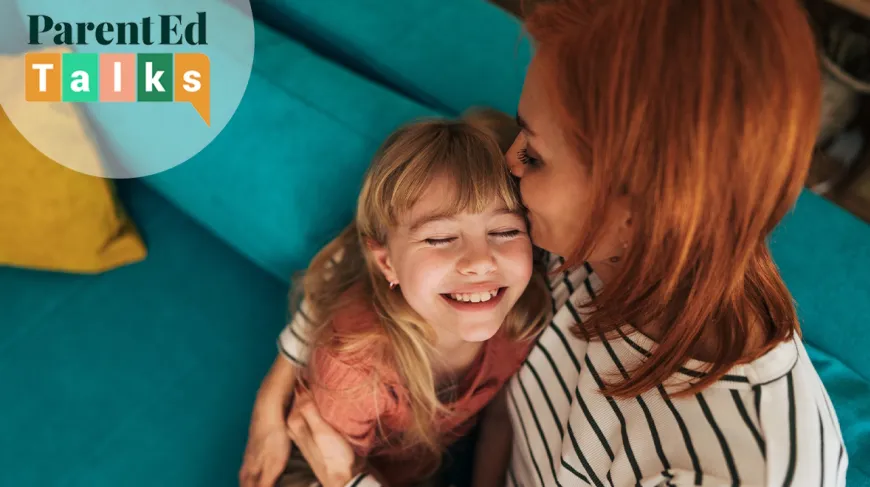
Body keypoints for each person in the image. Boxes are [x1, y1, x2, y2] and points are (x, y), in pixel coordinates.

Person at [279, 0, 849, 486]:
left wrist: (344, 478)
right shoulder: (581, 243)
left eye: (536, 154)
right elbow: (401, 237)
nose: (509, 164)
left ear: (640, 209)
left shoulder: (741, 464)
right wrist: (286, 372)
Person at [239, 118, 551, 487]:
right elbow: (330, 467)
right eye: (440, 238)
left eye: (505, 231)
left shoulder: (524, 318)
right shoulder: (355, 369)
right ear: (388, 264)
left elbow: (501, 416)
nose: (481, 261)